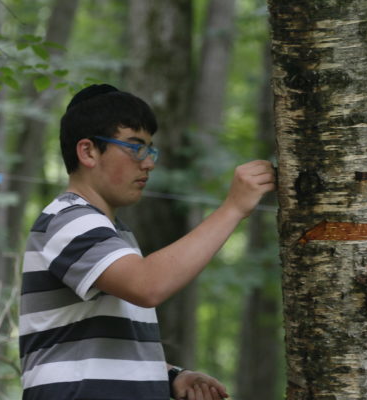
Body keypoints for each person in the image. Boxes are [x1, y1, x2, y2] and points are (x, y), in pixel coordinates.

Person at [19, 83, 275, 400]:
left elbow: (100, 342)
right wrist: (233, 208)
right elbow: (146, 285)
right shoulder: (68, 219)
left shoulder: (114, 233)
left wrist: (170, 376)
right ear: (88, 152)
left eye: (150, 149)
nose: (148, 163)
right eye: (135, 147)